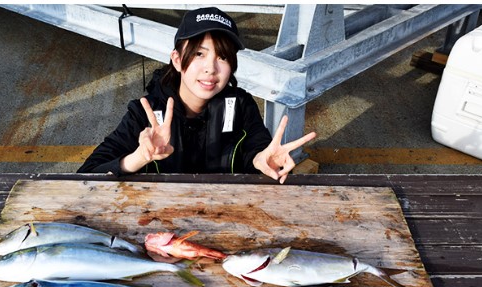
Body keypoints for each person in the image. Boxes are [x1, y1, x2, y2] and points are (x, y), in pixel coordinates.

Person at [77, 7, 316, 184]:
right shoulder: (144, 113)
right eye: (199, 54)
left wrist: (262, 161)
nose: (210, 68)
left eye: (222, 56)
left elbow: (258, 152)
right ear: (177, 59)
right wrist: (138, 158)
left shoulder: (241, 105)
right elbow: (85, 175)